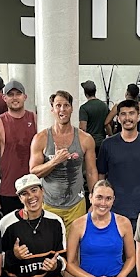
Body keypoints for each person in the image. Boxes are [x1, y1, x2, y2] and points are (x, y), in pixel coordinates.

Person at [30, 90, 98, 231]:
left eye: (66, 105)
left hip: (76, 204)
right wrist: (55, 161)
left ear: (72, 109)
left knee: (75, 244)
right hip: (49, 204)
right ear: (52, 110)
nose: (62, 109)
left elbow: (91, 172)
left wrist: (95, 200)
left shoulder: (85, 139)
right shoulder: (41, 138)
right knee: (50, 243)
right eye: (58, 106)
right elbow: (34, 172)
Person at [96, 98, 140, 230]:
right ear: (118, 118)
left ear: (138, 117)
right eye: (123, 114)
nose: (127, 118)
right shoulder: (107, 145)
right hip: (113, 210)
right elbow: (101, 176)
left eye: (131, 113)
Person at [0, 79, 37, 218]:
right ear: (4, 98)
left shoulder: (35, 119)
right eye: (10, 95)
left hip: (34, 190)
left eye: (18, 94)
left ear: (25, 97)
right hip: (9, 192)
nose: (15, 98)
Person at [78, 79, 109, 151]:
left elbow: (83, 128)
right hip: (102, 142)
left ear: (85, 93)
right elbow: (109, 123)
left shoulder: (84, 108)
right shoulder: (104, 106)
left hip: (90, 143)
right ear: (95, 91)